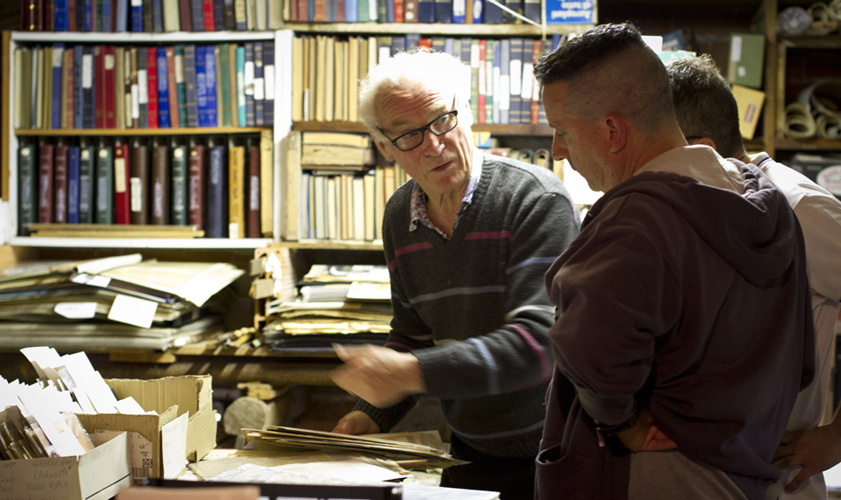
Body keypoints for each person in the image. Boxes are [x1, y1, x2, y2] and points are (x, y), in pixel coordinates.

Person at [533, 22, 815, 500]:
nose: (559, 150)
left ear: (612, 130)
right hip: (743, 470)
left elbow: (590, 351)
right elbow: (800, 358)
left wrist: (623, 422)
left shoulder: (636, 219)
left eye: (562, 131)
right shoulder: (767, 201)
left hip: (654, 474)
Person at [328, 49, 580, 499]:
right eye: (408, 135)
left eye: (442, 119)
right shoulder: (398, 216)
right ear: (385, 148)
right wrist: (368, 415)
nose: (433, 145)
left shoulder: (536, 199)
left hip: (557, 450)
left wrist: (406, 372)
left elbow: (539, 343)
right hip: (467, 450)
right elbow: (414, 334)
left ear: (467, 112)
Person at [666, 53, 841, 500]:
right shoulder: (706, 208)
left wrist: (838, 436)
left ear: (700, 149)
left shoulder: (800, 208)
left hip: (780, 483)